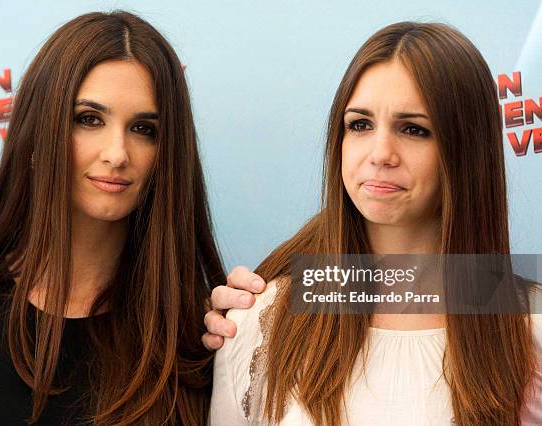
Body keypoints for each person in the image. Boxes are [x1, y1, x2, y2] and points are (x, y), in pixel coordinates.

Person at [206, 22, 542, 425]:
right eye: (360, 124)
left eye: (414, 129)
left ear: (466, 150)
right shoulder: (261, 319)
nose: (380, 153)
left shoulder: (530, 328)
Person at [0, 11, 224, 425]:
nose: (117, 153)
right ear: (38, 131)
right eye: (89, 119)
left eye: (144, 129)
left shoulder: (200, 337)